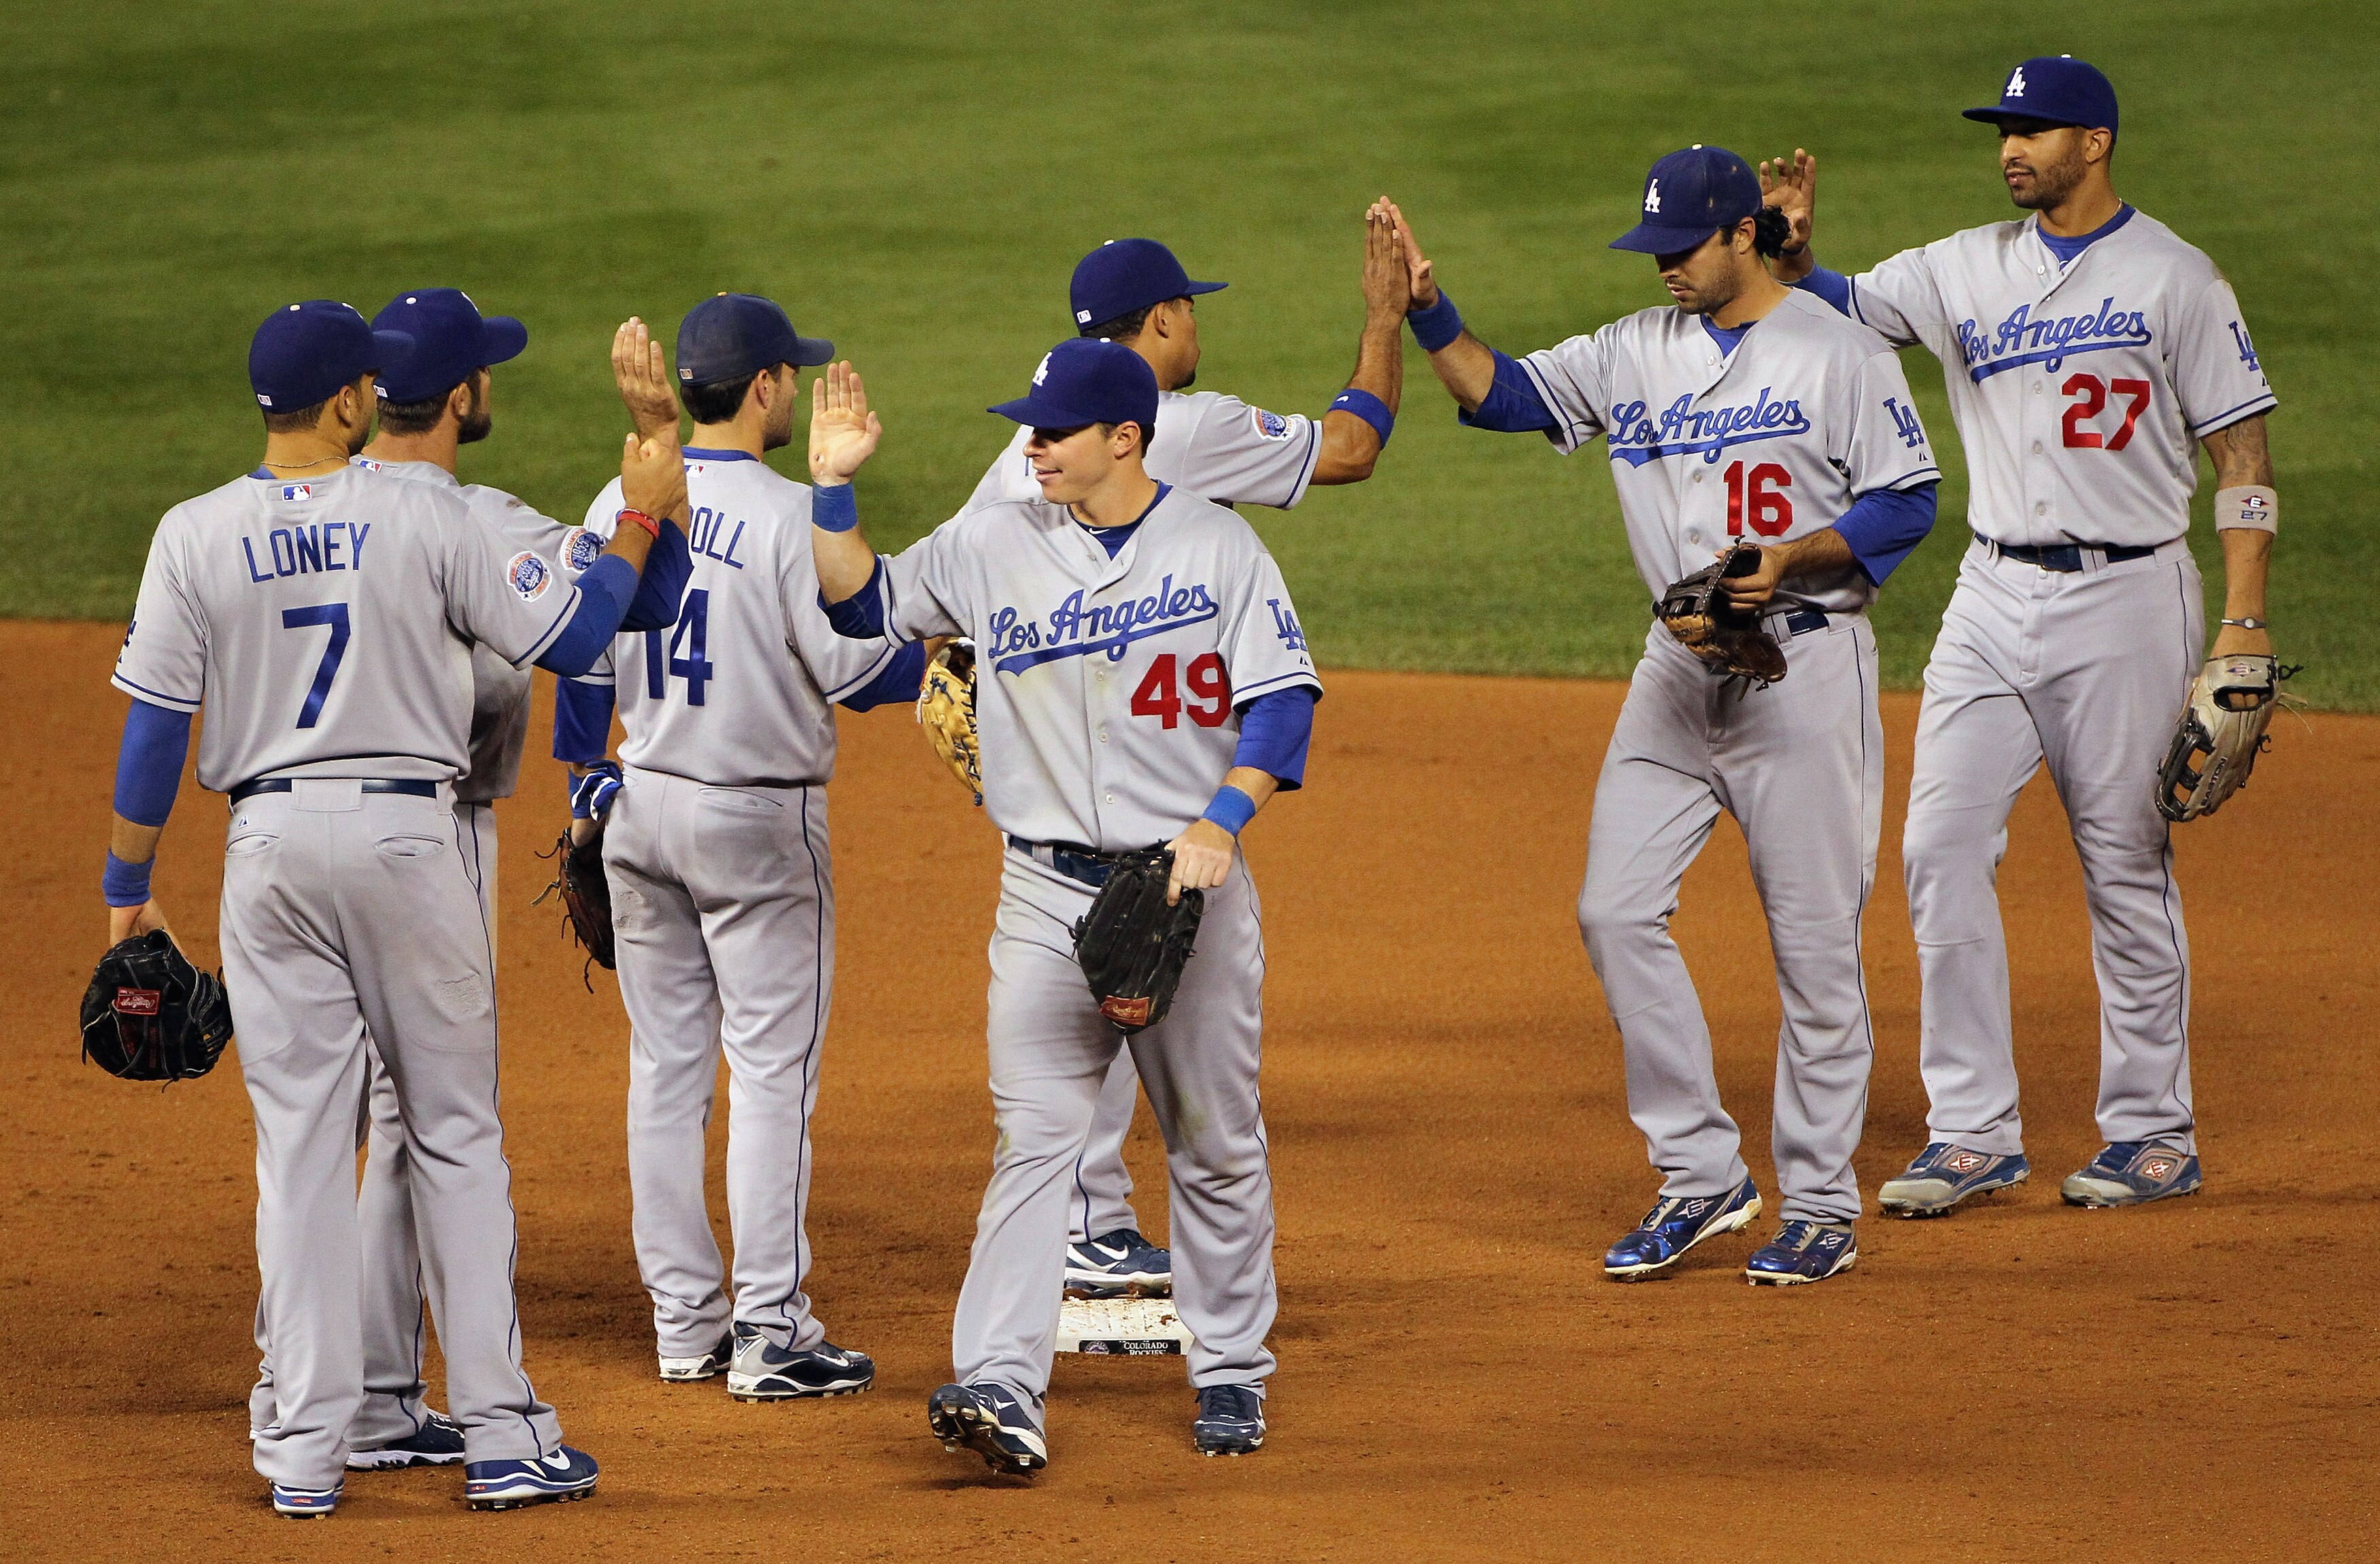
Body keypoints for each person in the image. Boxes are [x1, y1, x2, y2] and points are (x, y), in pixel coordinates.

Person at [103, 299, 685, 1516]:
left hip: (263, 849)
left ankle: (307, 1454)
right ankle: (504, 1437)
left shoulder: (193, 531)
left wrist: (126, 893)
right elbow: (583, 629)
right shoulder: (428, 511)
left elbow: (155, 726)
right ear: (346, 403)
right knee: (454, 1131)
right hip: (409, 838)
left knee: (300, 1152)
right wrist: (641, 508)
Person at [1387, 144, 1941, 1285]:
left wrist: (1788, 560)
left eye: (1682, 248)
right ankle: (1703, 1174)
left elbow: (1908, 501)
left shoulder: (1840, 351)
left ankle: (1824, 1206)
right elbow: (1503, 397)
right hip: (1677, 672)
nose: (1664, 270)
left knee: (1815, 952)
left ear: (1746, 234)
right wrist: (1431, 312)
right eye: (1652, 250)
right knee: (1613, 911)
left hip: (1806, 674)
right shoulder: (1633, 350)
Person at [1762, 56, 2279, 1212]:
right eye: (2004, 129)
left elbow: (2241, 459)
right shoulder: (1959, 266)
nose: (2012, 146)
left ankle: (2153, 1129)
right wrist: (1792, 254)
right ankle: (1974, 1131)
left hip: (2133, 595)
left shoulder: (2177, 278)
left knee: (2124, 859)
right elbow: (1840, 306)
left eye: (2035, 130)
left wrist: (2242, 620)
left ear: (2093, 142)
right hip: (1991, 594)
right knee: (1936, 849)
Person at [810, 339, 1321, 1469]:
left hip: (1185, 893)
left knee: (1213, 1141)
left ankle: (1232, 1367)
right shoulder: (994, 542)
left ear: (1124, 439)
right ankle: (1001, 1383)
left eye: (1052, 430)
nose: (1030, 445)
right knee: (1035, 1142)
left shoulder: (1220, 547)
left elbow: (1282, 703)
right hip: (1042, 892)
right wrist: (834, 485)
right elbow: (863, 609)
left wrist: (1221, 819)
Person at [962, 222, 1404, 1299]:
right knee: (1129, 941)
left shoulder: (1031, 438)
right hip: (1099, 716)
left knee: (1086, 946)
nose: (1196, 323)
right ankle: (1093, 1229)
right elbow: (1350, 450)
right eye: (1188, 308)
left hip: (1022, 706)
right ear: (1162, 321)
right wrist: (1386, 320)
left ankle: (1085, 1213)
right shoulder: (1169, 431)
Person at [551, 294, 925, 1399]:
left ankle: (684, 1324)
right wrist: (943, 646)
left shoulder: (630, 494)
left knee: (666, 1073)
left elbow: (576, 658)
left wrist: (587, 788)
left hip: (641, 806)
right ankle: (772, 1329)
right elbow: (863, 674)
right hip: (757, 825)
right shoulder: (786, 519)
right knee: (771, 1076)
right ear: (762, 389)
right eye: (790, 377)